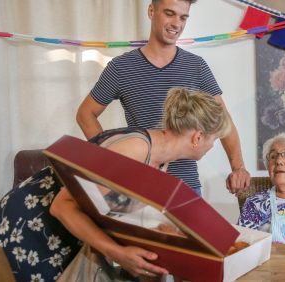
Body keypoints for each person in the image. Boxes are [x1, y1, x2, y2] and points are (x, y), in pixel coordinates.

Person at [0, 88, 231, 281]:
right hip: (31, 225)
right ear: (198, 137)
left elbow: (114, 209)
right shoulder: (135, 150)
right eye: (214, 140)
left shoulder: (160, 160)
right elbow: (62, 206)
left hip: (59, 228)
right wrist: (118, 254)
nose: (212, 147)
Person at [76, 0, 250, 195]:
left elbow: (223, 119)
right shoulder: (120, 68)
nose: (177, 23)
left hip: (187, 186)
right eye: (169, 13)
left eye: (183, 17)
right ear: (151, 11)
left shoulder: (196, 66)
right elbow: (85, 114)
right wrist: (114, 161)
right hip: (141, 186)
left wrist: (238, 167)